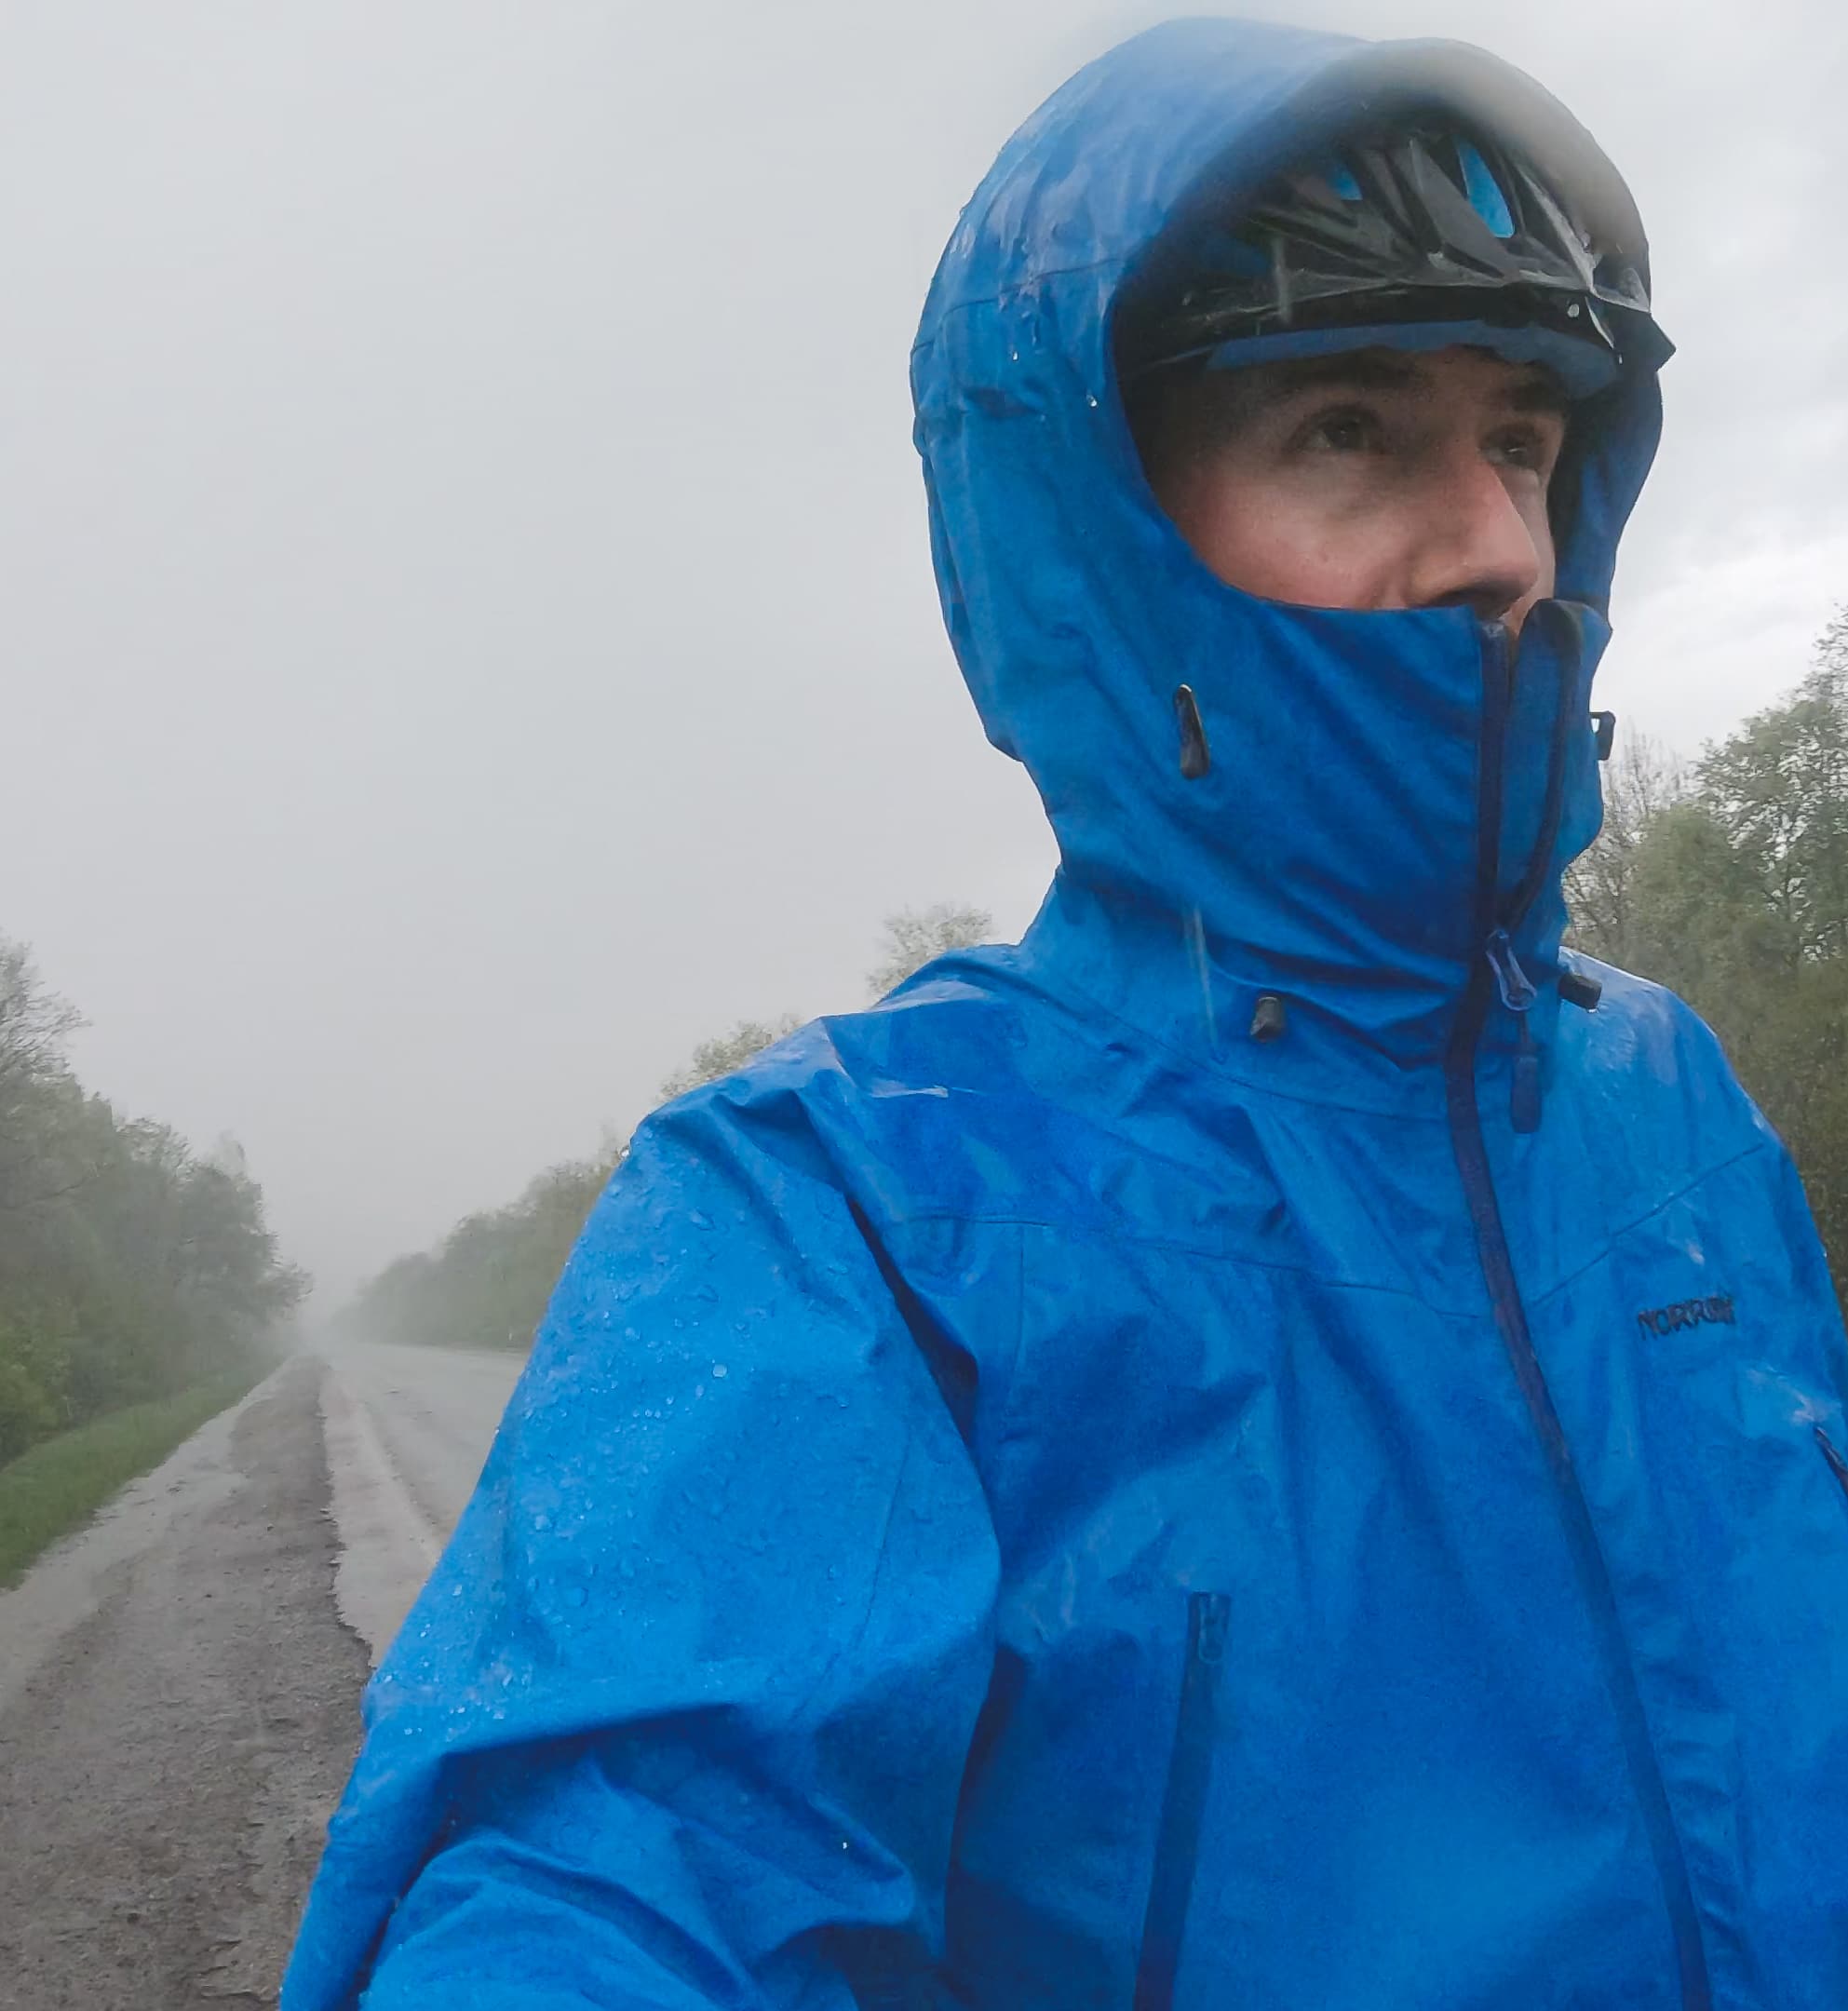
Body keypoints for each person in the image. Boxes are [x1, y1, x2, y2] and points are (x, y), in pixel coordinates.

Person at [285, 19, 1848, 2010]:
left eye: (1525, 440)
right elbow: (621, 1864)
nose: (1497, 547)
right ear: (1096, 540)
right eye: (1351, 429)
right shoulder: (841, 1204)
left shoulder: (1668, 1103)